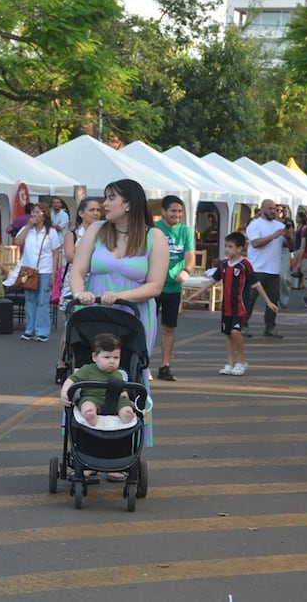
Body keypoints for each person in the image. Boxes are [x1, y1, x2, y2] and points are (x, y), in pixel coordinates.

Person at [69, 178, 167, 444]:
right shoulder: (97, 230)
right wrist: (80, 294)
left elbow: (155, 285)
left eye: (111, 198)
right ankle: (86, 443)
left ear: (129, 204)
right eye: (105, 197)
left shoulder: (153, 236)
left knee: (129, 375)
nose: (105, 203)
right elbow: (77, 270)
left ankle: (126, 445)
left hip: (133, 316)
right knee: (91, 374)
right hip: (97, 313)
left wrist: (121, 296)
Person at [186, 232, 278, 376]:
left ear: (239, 249)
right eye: (226, 246)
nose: (227, 249)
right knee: (228, 334)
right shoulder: (223, 265)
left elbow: (256, 284)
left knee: (236, 332)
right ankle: (230, 362)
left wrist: (268, 301)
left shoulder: (244, 265)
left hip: (240, 306)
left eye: (230, 246)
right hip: (227, 306)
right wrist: (197, 294)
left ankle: (242, 361)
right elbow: (212, 281)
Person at [55, 197, 102, 384]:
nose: (96, 213)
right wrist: (93, 260)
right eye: (92, 210)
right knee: (70, 326)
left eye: (98, 210)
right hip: (75, 284)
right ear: (81, 213)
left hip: (97, 283)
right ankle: (61, 364)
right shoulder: (72, 234)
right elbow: (70, 256)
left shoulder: (104, 233)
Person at [153, 195, 195, 381]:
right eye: (173, 211)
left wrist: (186, 270)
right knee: (148, 326)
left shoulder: (185, 231)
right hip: (153, 286)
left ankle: (165, 366)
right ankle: (143, 365)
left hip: (173, 288)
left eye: (180, 211)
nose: (177, 214)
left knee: (168, 328)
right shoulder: (154, 229)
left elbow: (190, 256)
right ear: (163, 212)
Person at [59, 332, 136, 427]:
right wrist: (64, 391)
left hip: (115, 399)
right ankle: (90, 415)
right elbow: (72, 379)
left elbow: (123, 392)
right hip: (92, 397)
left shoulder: (119, 374)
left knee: (124, 404)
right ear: (95, 357)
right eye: (107, 357)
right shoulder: (87, 370)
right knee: (87, 404)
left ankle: (127, 414)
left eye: (116, 357)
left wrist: (128, 401)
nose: (112, 361)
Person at [14, 201, 61, 342]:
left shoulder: (51, 232)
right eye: (33, 212)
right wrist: (28, 226)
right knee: (30, 300)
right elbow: (18, 242)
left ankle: (42, 331)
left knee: (42, 301)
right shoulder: (27, 229)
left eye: (38, 212)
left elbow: (55, 252)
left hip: (45, 270)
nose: (34, 215)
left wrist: (54, 272)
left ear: (44, 215)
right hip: (28, 270)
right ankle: (29, 330)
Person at [245, 199, 287, 337]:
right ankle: (243, 324)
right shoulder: (255, 225)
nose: (273, 211)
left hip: (274, 270)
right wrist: (273, 236)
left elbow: (290, 247)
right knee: (250, 299)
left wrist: (289, 236)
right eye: (270, 208)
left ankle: (270, 327)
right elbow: (256, 243)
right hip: (257, 269)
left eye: (275, 209)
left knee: (273, 300)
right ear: (262, 209)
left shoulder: (279, 226)